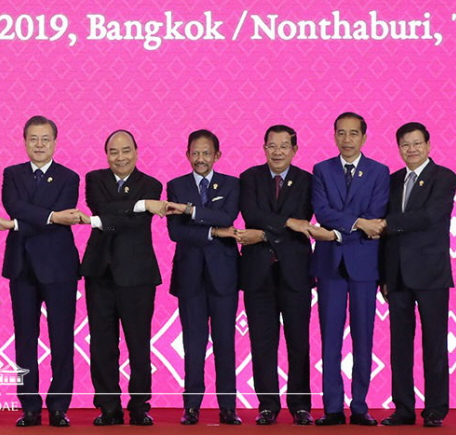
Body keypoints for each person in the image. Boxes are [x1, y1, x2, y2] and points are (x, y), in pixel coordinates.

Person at [237, 125, 333, 426]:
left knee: (298, 341)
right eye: (271, 146)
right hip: (257, 273)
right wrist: (289, 223)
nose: (277, 152)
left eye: (283, 146)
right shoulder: (249, 178)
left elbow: (305, 217)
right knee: (262, 342)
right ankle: (267, 405)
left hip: (296, 272)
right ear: (263, 148)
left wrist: (265, 233)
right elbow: (251, 215)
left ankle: (301, 405)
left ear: (294, 150)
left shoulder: (307, 180)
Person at [0, 116, 80, 428]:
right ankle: (29, 406)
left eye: (45, 139)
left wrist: (21, 223)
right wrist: (52, 216)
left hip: (60, 268)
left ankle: (58, 406)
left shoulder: (70, 177)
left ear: (55, 142)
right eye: (33, 139)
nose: (39, 145)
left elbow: (50, 215)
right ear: (25, 141)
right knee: (25, 340)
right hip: (22, 266)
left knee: (61, 340)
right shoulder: (12, 174)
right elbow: (13, 206)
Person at [80, 130, 171, 427]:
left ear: (136, 151)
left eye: (126, 150)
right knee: (103, 344)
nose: (120, 157)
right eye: (113, 152)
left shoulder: (152, 184)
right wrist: (142, 205)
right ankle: (108, 406)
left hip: (138, 276)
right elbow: (103, 210)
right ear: (106, 154)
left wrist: (131, 210)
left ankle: (139, 405)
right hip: (100, 273)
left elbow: (119, 221)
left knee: (138, 343)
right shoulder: (95, 179)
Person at [310, 112, 388, 426]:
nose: (347, 140)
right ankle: (332, 407)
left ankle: (359, 405)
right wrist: (355, 224)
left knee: (364, 337)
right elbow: (323, 210)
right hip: (330, 263)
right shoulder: (322, 170)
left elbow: (377, 212)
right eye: (341, 133)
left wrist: (349, 226)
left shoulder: (379, 172)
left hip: (364, 264)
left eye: (353, 134)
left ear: (364, 137)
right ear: (334, 135)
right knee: (330, 337)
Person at [378, 122, 455, 428]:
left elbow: (431, 216)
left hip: (430, 274)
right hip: (396, 275)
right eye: (405, 144)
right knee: (400, 346)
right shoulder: (393, 179)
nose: (411, 149)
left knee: (434, 343)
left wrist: (386, 222)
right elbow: (387, 239)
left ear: (428, 145)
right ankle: (403, 408)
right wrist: (383, 273)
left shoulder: (444, 177)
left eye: (416, 143)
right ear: (398, 148)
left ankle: (435, 408)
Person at [165, 129, 241, 425]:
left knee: (225, 342)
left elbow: (228, 217)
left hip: (224, 275)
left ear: (217, 156)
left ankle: (228, 407)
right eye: (195, 153)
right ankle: (192, 405)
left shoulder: (233, 184)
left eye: (206, 153)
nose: (200, 159)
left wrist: (190, 210)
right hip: (189, 276)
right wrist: (212, 231)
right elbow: (175, 231)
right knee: (193, 344)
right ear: (187, 155)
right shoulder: (175, 185)